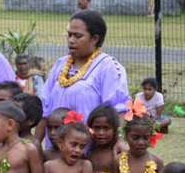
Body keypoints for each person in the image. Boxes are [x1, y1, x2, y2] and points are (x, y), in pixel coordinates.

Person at [37, 10, 130, 144]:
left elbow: (118, 110)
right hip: (55, 152)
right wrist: (36, 142)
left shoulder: (108, 67)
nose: (71, 40)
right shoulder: (60, 64)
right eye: (69, 35)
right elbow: (45, 108)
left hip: (89, 152)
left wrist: (118, 142)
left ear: (95, 39)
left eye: (77, 36)